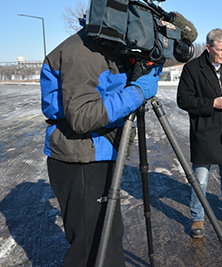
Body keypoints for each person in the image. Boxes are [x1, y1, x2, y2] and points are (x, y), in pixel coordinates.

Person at [40, 25, 162, 266]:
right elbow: (82, 116)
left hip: (96, 154)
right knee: (93, 249)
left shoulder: (106, 47)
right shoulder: (83, 51)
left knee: (109, 239)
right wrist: (136, 93)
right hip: (81, 158)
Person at [177, 28, 222, 239]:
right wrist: (212, 103)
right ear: (208, 48)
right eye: (220, 50)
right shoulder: (192, 68)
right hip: (205, 132)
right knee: (200, 180)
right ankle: (197, 218)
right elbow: (183, 100)